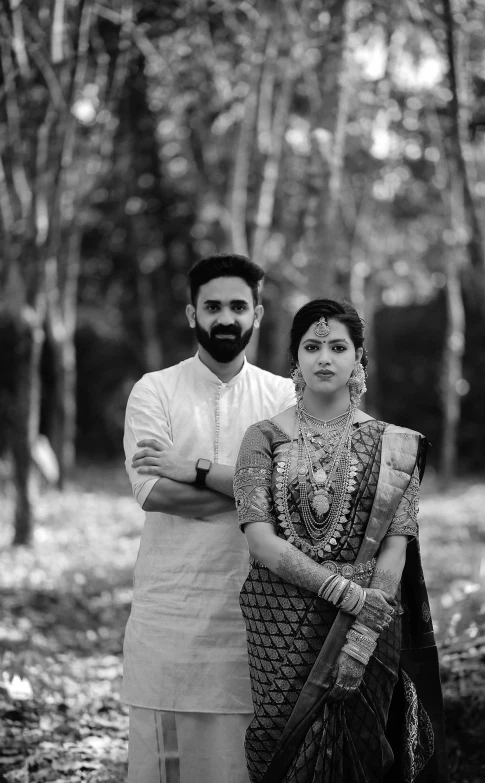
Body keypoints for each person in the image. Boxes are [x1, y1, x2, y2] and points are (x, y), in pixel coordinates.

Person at [233, 298, 449, 783]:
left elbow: (396, 545)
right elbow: (261, 542)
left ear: (358, 359)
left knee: (364, 757)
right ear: (296, 360)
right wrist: (350, 595)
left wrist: (361, 638)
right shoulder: (261, 438)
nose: (324, 358)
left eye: (337, 346)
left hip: (363, 633)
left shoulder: (395, 444)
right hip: (280, 628)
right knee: (278, 746)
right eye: (312, 346)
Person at [122, 253, 295, 783]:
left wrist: (194, 469)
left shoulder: (284, 397)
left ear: (258, 315)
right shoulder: (155, 390)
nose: (226, 318)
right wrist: (257, 489)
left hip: (262, 624)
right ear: (192, 313)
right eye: (213, 306)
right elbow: (155, 494)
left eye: (238, 307)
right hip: (171, 618)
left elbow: (295, 495)